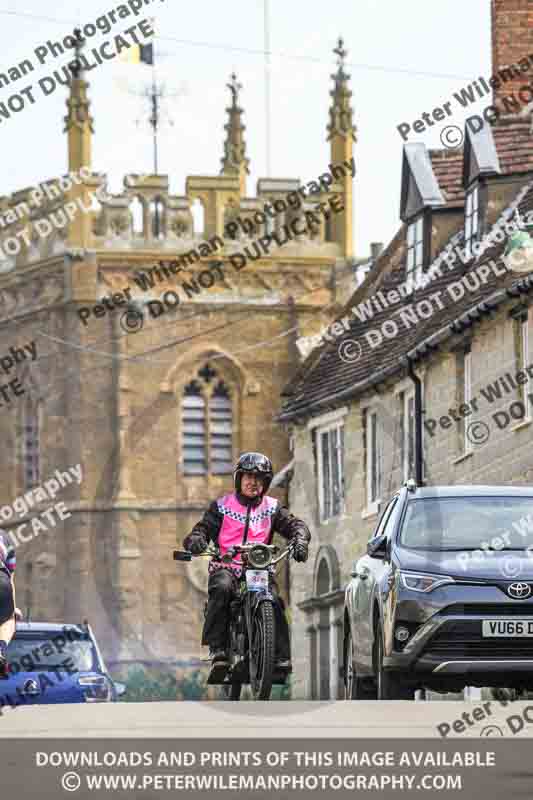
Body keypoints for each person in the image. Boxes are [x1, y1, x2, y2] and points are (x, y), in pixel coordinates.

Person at [183, 452, 311, 672]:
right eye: (249, 477)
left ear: (266, 483)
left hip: (259, 567)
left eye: (259, 478)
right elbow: (201, 529)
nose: (253, 482)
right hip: (226, 567)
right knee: (222, 588)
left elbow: (296, 525)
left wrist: (300, 540)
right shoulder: (221, 506)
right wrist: (197, 540)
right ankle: (218, 649)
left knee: (274, 600)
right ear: (239, 479)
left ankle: (279, 657)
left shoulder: (273, 507)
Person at [0, 530, 20, 678]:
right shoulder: (4, 537)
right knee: (8, 619)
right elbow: (10, 579)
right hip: (2, 581)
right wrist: (12, 608)